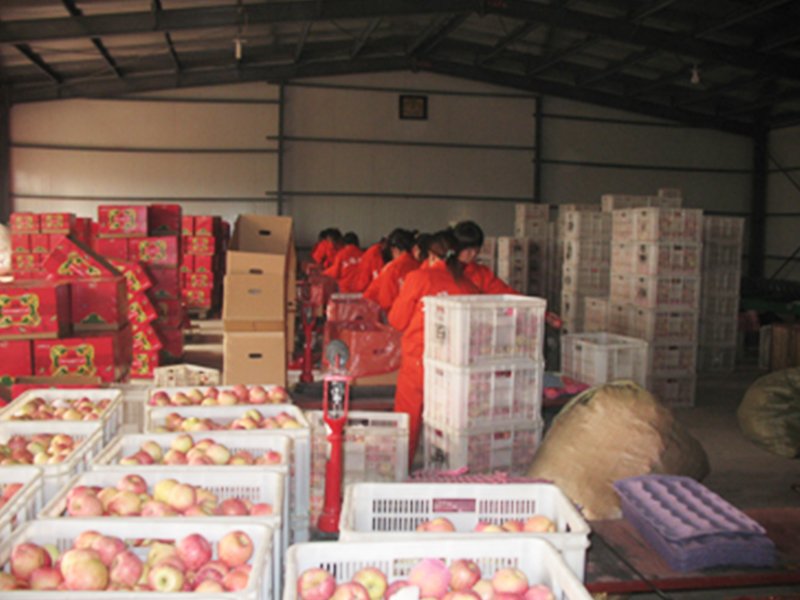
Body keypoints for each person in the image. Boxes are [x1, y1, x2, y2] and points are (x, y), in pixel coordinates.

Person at [388, 229, 479, 465]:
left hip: (419, 362)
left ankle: (400, 469)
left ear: (430, 255)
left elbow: (396, 320)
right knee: (448, 424)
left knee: (407, 422)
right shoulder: (469, 286)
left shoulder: (419, 278)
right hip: (454, 368)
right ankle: (449, 471)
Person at [454, 220, 517, 294]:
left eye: (477, 249)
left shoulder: (482, 273)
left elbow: (505, 292)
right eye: (469, 249)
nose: (474, 253)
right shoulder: (443, 272)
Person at [364, 228, 419, 312]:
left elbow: (385, 301)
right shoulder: (419, 266)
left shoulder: (392, 268)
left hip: (391, 313)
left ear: (394, 250)